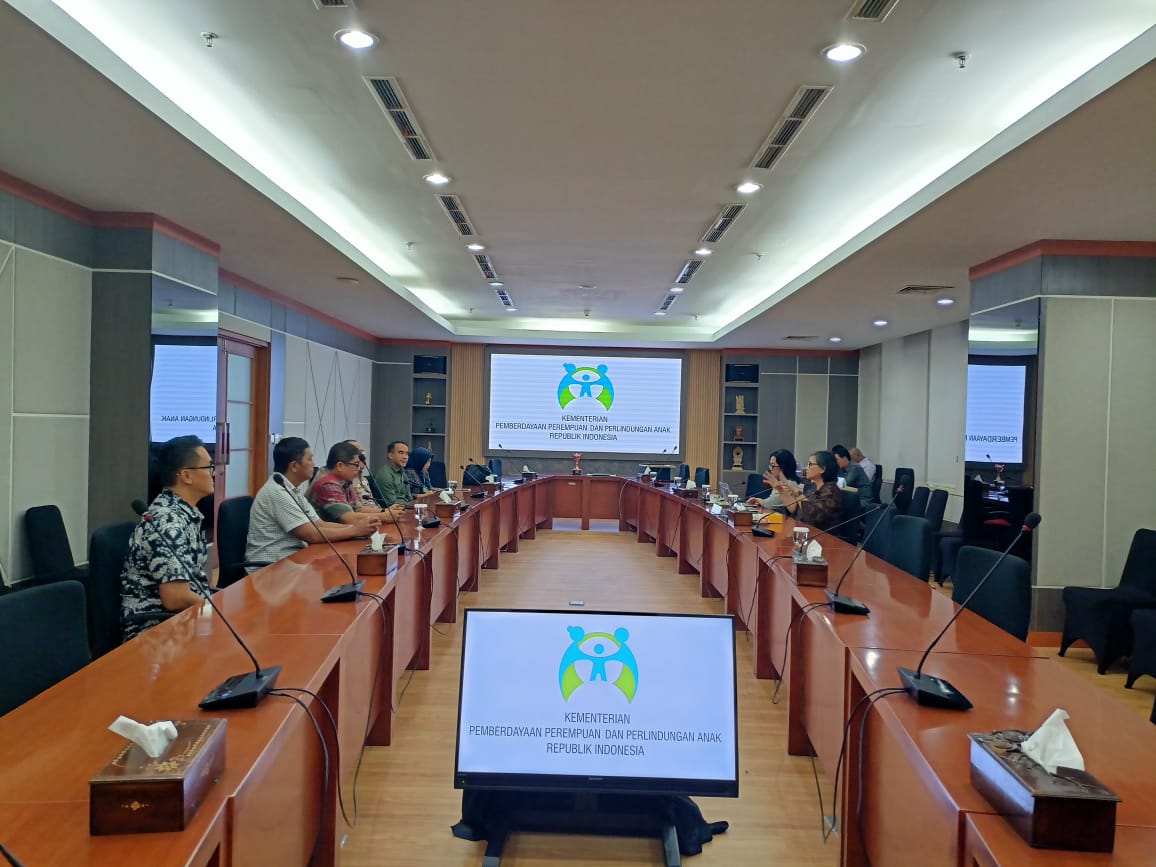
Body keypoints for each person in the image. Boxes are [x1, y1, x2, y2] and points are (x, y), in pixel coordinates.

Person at [121, 435, 218, 640]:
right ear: (186, 476)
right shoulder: (168, 522)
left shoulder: (183, 512)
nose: (214, 473)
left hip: (186, 618)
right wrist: (219, 610)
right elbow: (176, 598)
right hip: (157, 631)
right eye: (209, 467)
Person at [246, 437, 377, 570]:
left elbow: (320, 524)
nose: (313, 464)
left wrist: (358, 530)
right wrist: (354, 530)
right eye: (309, 459)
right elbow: (312, 534)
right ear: (294, 466)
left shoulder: (291, 489)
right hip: (270, 568)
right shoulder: (277, 492)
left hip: (293, 561)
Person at [309, 442, 392, 526]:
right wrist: (383, 517)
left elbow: (358, 509)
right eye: (356, 465)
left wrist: (387, 512)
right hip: (326, 536)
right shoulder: (327, 485)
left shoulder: (344, 480)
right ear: (340, 465)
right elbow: (349, 518)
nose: (358, 469)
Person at [776, 450, 843, 531]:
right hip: (805, 532)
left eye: (810, 464)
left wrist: (797, 492)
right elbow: (797, 509)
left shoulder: (831, 491)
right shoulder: (813, 488)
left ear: (822, 469)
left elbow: (812, 516)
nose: (806, 468)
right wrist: (780, 489)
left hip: (823, 538)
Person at [343, 439, 391, 512]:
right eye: (358, 453)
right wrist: (384, 512)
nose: (363, 457)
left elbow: (373, 504)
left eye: (362, 452)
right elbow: (356, 510)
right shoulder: (346, 481)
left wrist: (388, 511)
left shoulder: (364, 480)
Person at [373, 440, 413, 506]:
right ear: (391, 455)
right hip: (393, 511)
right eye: (401, 453)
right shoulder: (385, 475)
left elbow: (409, 497)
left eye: (407, 454)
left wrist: (413, 505)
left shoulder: (402, 472)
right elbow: (391, 503)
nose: (405, 457)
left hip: (406, 507)